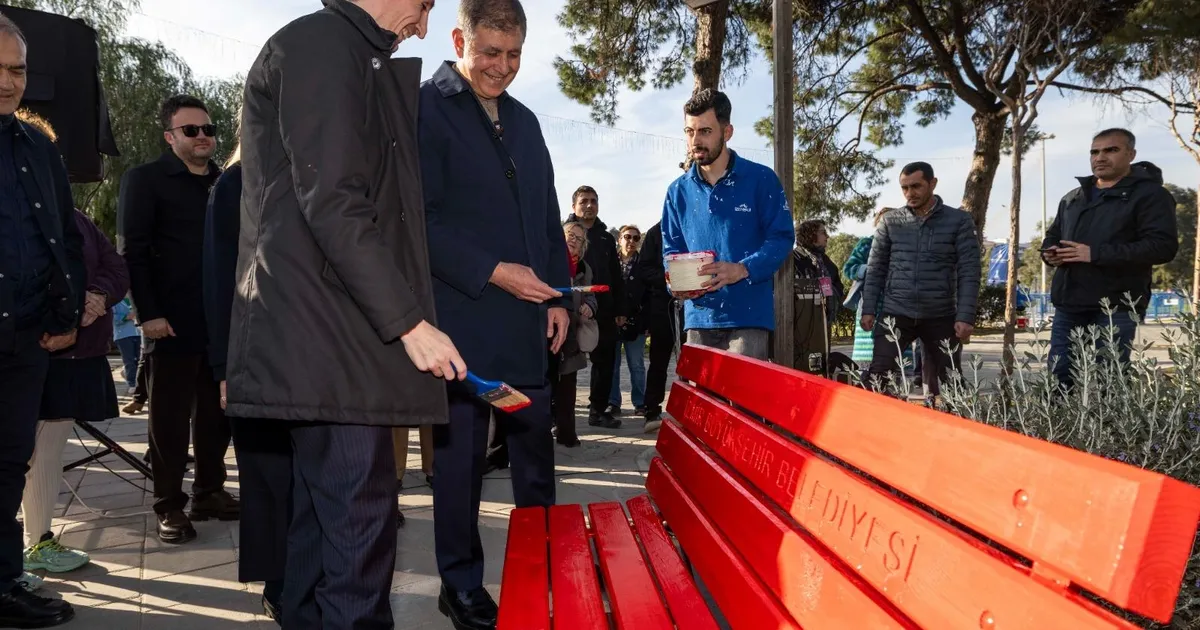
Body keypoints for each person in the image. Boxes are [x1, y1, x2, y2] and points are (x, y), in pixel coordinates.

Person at [231, 0, 460, 626]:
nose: (422, 24)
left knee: (317, 526)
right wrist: (410, 323)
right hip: (330, 332)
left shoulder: (345, 50)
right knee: (360, 526)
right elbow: (333, 199)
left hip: (325, 331)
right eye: (424, 5)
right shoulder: (324, 46)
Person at [418, 1, 568, 627]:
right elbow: (416, 221)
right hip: (461, 325)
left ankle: (545, 566)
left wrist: (560, 295)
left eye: (513, 55)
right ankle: (460, 583)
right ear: (460, 39)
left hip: (524, 328)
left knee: (535, 450)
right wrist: (492, 270)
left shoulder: (527, 121)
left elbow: (544, 214)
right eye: (489, 52)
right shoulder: (425, 107)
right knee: (460, 464)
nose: (501, 67)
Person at [119, 93, 238, 544]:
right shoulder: (145, 180)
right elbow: (134, 251)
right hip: (170, 322)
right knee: (168, 421)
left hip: (222, 322)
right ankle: (169, 505)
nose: (204, 136)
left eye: (208, 129)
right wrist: (149, 313)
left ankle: (210, 491)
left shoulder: (227, 183)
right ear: (170, 137)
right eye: (192, 130)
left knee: (217, 416)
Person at [0, 13, 82, 626]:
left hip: (27, 333)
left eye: (17, 69)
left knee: (8, 463)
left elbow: (65, 236)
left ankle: (5, 582)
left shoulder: (38, 145)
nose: (9, 81)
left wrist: (68, 307)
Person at [200, 120, 289, 625]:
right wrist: (224, 366)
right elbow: (218, 282)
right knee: (268, 477)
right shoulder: (233, 185)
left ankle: (307, 574)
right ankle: (277, 582)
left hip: (317, 357)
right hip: (253, 354)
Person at [23, 204, 127, 578]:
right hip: (30, 349)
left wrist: (98, 295)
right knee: (20, 451)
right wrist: (61, 314)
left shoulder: (75, 216)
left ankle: (38, 539)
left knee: (48, 449)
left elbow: (116, 266)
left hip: (76, 354)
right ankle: (26, 545)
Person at [661, 89, 794, 360]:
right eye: (689, 131)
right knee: (703, 402)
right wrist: (675, 280)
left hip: (749, 317)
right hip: (698, 319)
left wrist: (743, 269)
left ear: (727, 131)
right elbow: (670, 250)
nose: (695, 140)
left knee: (742, 401)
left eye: (705, 131)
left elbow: (781, 238)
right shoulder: (677, 192)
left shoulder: (761, 179)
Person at [1042, 128, 1178, 387]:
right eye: (1094, 151)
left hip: (1117, 305)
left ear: (1131, 154)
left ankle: (1113, 429)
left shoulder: (1151, 196)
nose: (1100, 157)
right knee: (1058, 378)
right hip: (1069, 302)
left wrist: (1095, 254)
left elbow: (1162, 247)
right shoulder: (1073, 198)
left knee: (1110, 379)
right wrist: (1051, 254)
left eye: (1110, 150)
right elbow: (1052, 236)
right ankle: (1057, 429)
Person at [861, 162, 981, 400]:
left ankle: (953, 430)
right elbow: (876, 269)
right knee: (878, 376)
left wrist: (965, 316)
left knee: (951, 382)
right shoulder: (890, 222)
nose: (909, 193)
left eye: (916, 186)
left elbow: (970, 270)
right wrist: (869, 309)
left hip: (940, 313)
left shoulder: (959, 221)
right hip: (896, 312)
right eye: (904, 188)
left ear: (932, 184)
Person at [564, 186, 625, 428]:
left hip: (604, 310)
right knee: (565, 365)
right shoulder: (562, 234)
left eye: (593, 201)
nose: (589, 205)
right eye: (584, 201)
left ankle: (598, 410)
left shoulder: (606, 237)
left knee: (605, 363)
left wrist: (620, 309)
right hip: (567, 307)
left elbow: (616, 276)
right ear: (574, 206)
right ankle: (560, 416)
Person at [553, 223, 599, 447]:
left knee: (568, 386)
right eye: (570, 234)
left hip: (571, 333)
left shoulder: (584, 268)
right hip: (548, 331)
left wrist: (590, 306)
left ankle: (566, 433)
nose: (573, 240)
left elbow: (590, 294)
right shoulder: (548, 260)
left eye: (579, 239)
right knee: (546, 384)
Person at [635, 221, 676, 433]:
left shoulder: (697, 224)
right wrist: (670, 280)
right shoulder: (655, 232)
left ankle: (693, 411)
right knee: (659, 361)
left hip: (696, 305)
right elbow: (644, 268)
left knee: (696, 362)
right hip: (663, 304)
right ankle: (651, 410)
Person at [792, 219, 843, 374]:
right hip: (799, 327)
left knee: (821, 363)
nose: (827, 237)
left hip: (823, 322)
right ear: (810, 234)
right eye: (823, 232)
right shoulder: (793, 259)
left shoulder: (826, 262)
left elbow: (838, 287)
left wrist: (832, 296)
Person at [609, 224, 646, 416]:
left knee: (636, 365)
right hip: (612, 321)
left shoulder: (643, 264)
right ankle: (613, 402)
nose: (631, 241)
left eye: (636, 238)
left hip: (636, 322)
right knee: (612, 365)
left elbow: (648, 294)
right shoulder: (610, 262)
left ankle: (640, 403)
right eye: (627, 237)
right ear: (619, 239)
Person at [111, 294, 139, 393]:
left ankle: (130, 376)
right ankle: (132, 383)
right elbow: (111, 317)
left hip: (139, 333)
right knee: (129, 360)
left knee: (139, 360)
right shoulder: (115, 300)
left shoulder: (136, 299)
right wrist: (125, 317)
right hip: (123, 335)